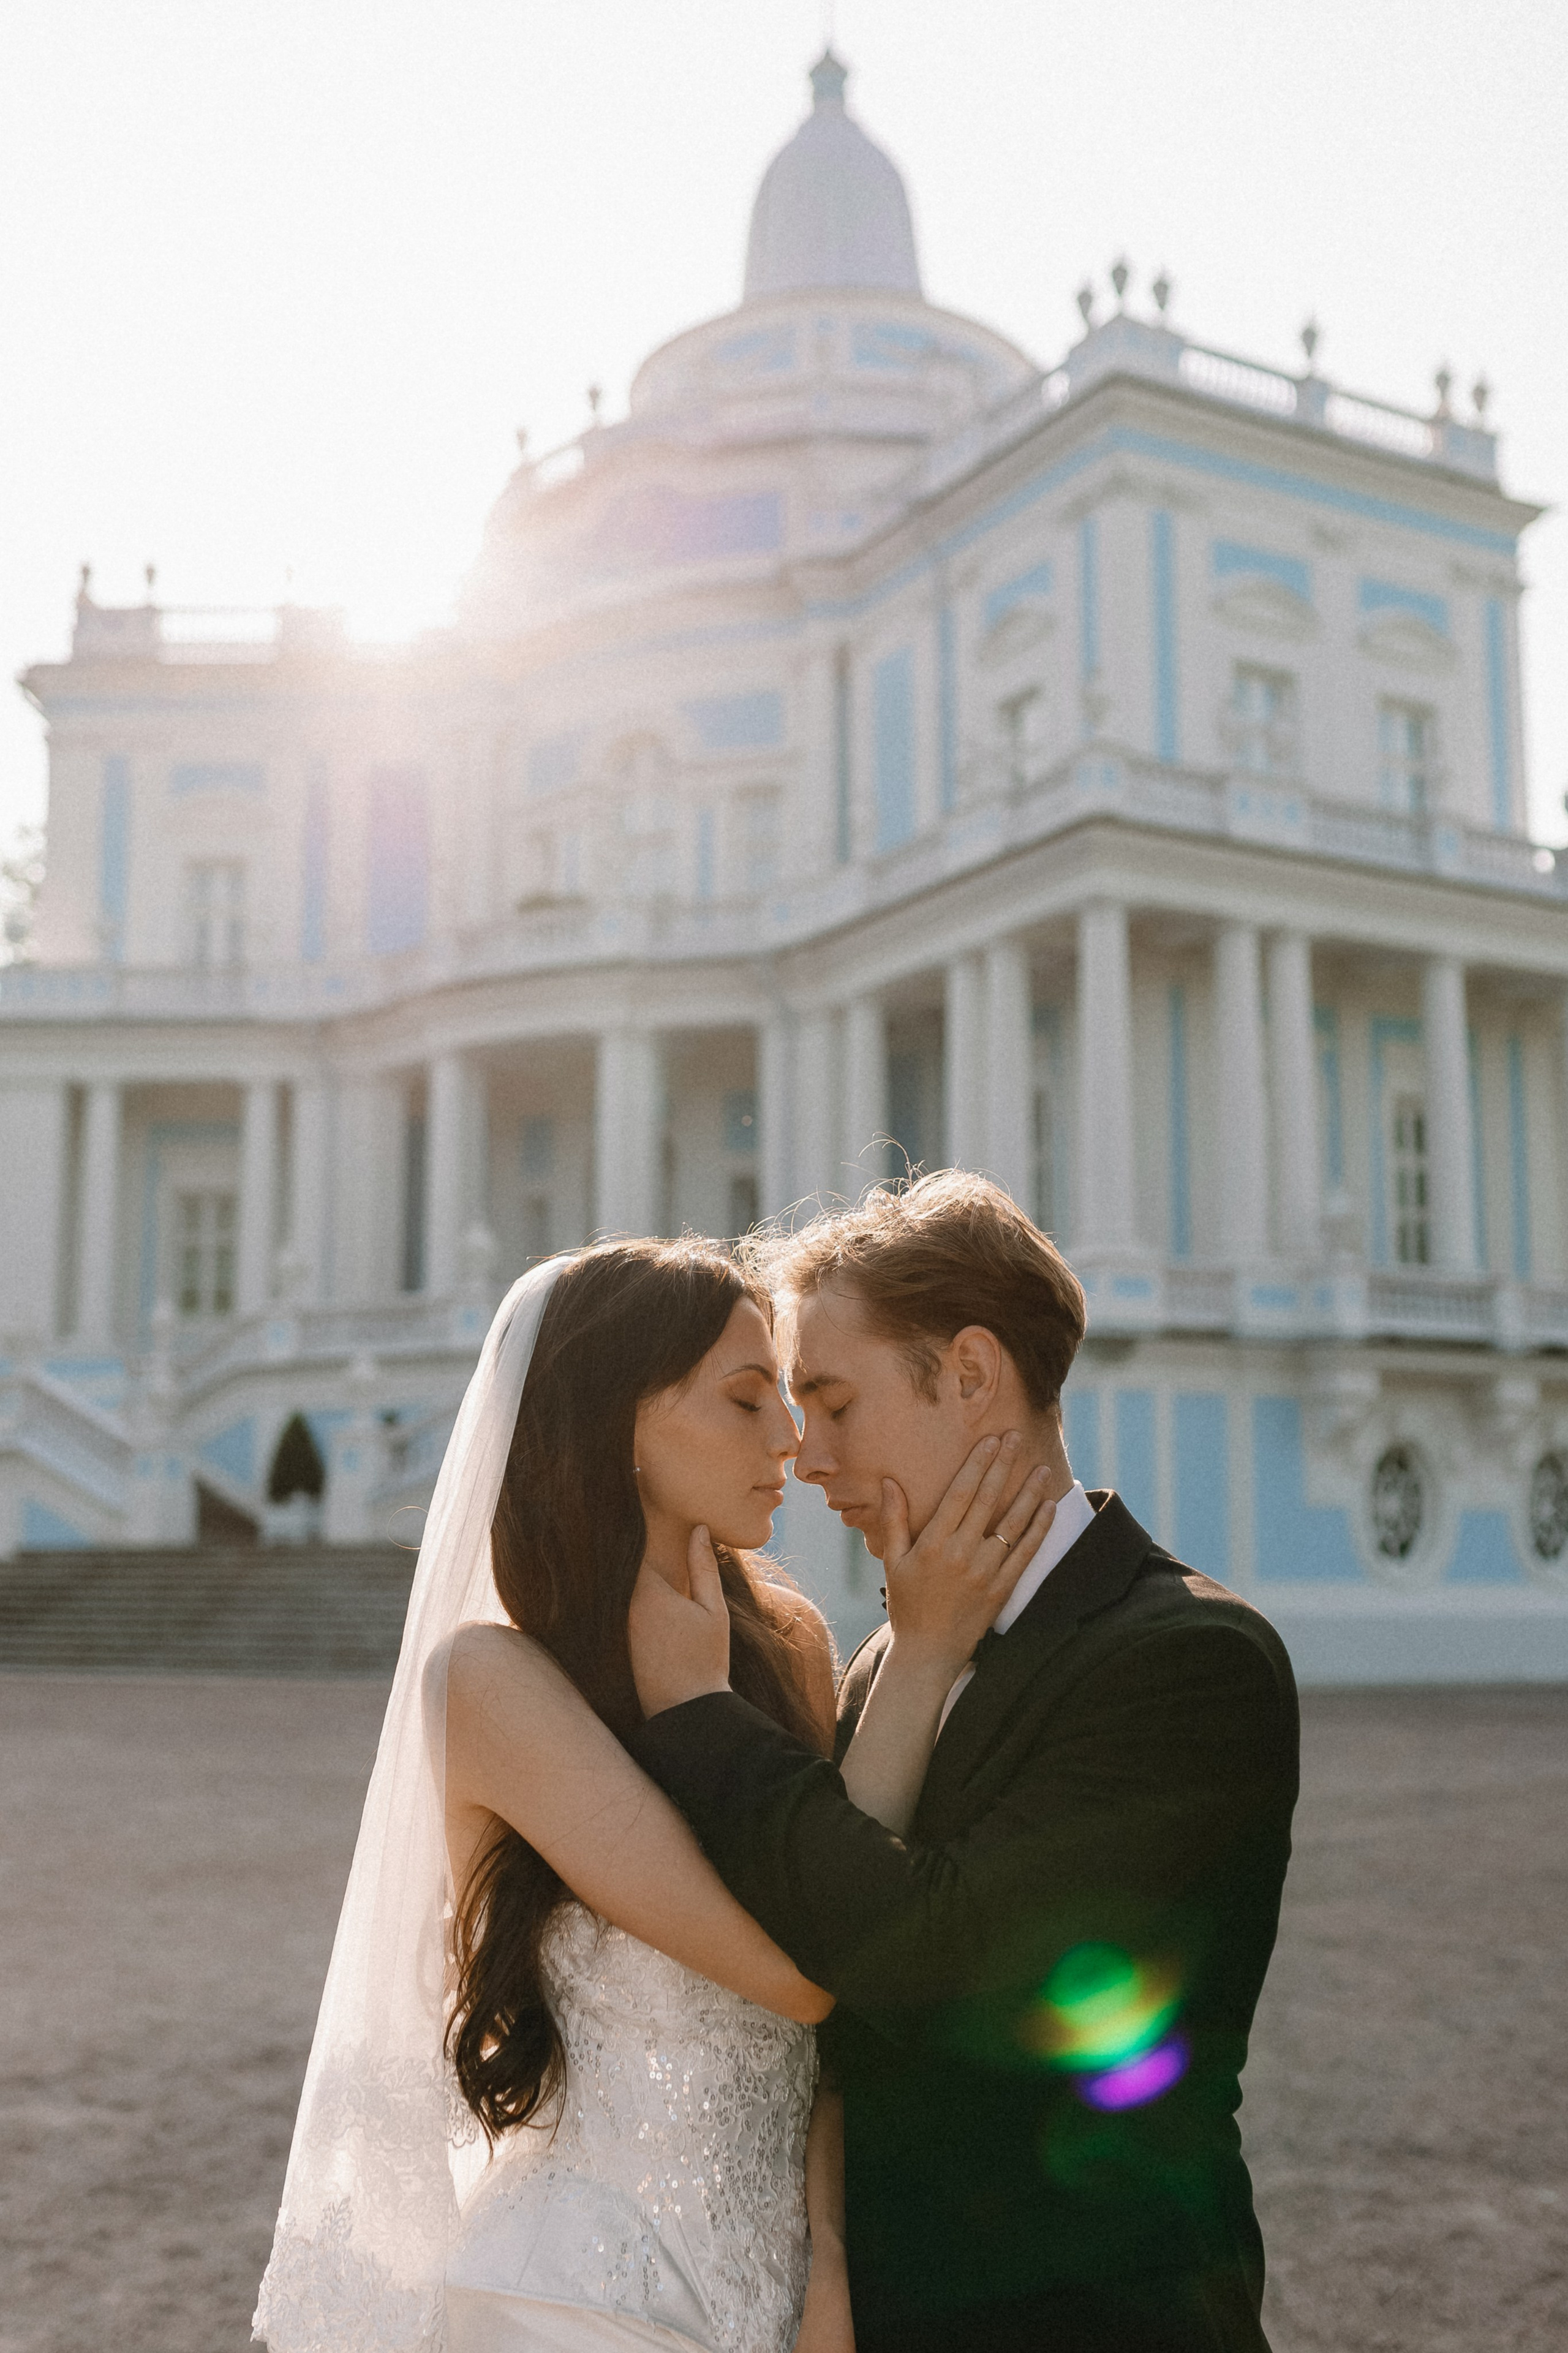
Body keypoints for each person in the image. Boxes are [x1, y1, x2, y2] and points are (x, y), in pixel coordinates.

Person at [255, 1236, 1056, 2353]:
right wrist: (919, 1657)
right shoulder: (488, 1682)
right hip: (572, 2299)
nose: (790, 1437)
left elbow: (848, 1968)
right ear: (620, 1422)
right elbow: (806, 1971)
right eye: (746, 1398)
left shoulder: (790, 1643)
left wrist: (828, 2258)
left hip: (772, 2299)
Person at [626, 1173, 1301, 2353]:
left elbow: (939, 1960)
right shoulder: (892, 1653)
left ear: (974, 1373)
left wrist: (698, 1712)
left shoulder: (1193, 1657)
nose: (805, 1456)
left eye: (835, 1401)